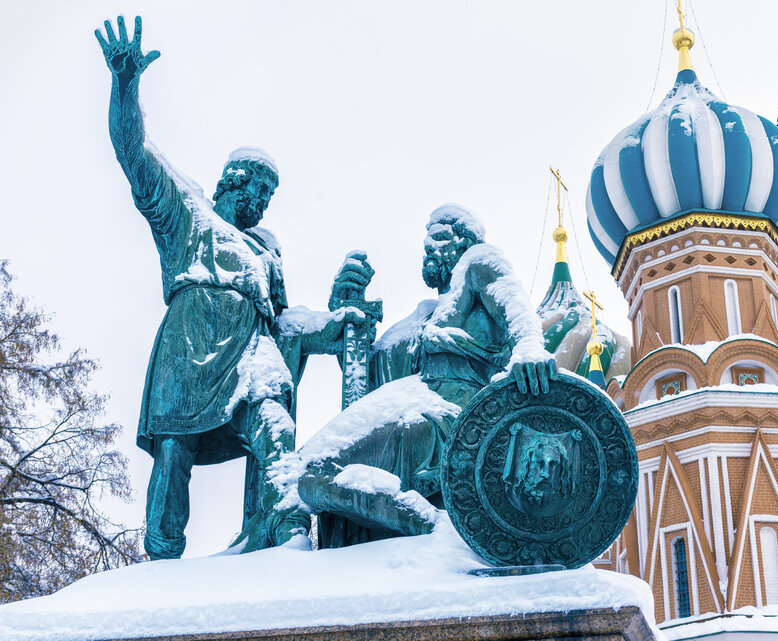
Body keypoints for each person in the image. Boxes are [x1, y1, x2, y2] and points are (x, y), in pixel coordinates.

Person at [95, 16, 360, 559]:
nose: (262, 204)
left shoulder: (266, 253)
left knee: (275, 426)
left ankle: (285, 531)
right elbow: (133, 153)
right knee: (174, 451)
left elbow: (286, 324)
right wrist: (125, 86)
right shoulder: (187, 213)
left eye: (269, 197)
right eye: (257, 191)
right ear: (231, 182)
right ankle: (162, 558)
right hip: (188, 351)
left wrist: (335, 322)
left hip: (251, 361)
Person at [289, 204, 558, 546]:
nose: (430, 246)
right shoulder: (421, 318)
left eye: (441, 237)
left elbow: (515, 307)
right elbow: (370, 382)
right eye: (427, 240)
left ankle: (437, 534)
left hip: (450, 418)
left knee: (313, 472)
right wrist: (348, 316)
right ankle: (423, 524)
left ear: (465, 243)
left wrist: (529, 345)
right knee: (308, 474)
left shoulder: (477, 264)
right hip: (413, 407)